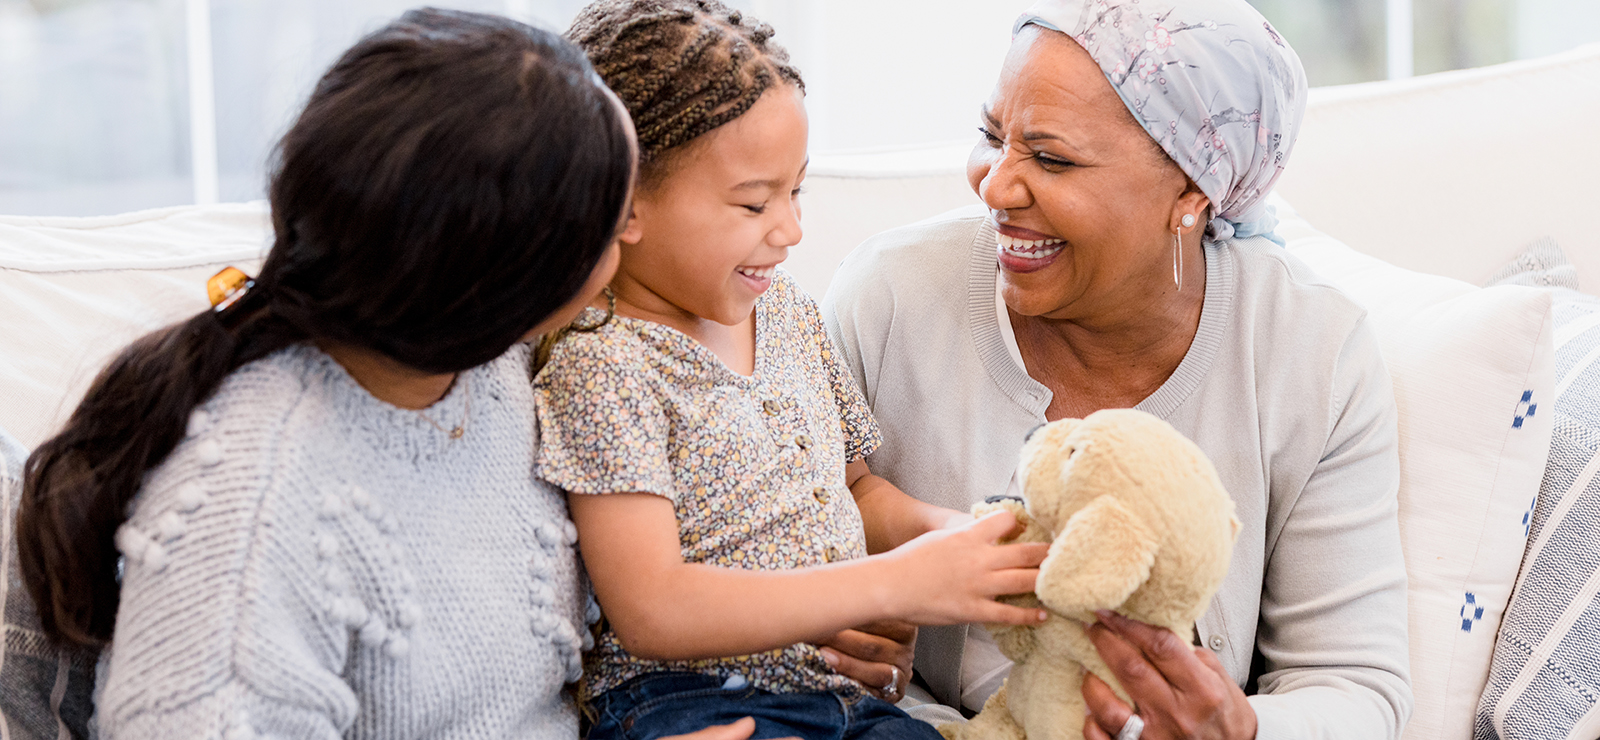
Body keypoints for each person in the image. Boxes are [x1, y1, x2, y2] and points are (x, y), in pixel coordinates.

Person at [11, 9, 672, 739]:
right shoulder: (254, 524)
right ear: (508, 284)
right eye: (615, 228)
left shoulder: (485, 371)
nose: (635, 234)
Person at [822, 1, 1413, 739]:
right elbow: (772, 572)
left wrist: (1238, 728)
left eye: (1051, 158)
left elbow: (1356, 685)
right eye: (990, 136)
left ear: (1191, 195)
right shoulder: (887, 297)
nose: (995, 187)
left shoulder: (1313, 351)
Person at [533, 3, 1050, 739]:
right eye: (754, 203)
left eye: (796, 191)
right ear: (622, 204)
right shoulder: (604, 363)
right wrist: (892, 582)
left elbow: (856, 489)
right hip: (691, 700)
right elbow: (652, 608)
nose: (791, 230)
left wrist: (957, 538)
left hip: (841, 695)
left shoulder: (787, 314)